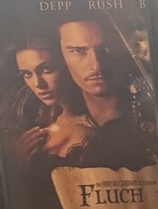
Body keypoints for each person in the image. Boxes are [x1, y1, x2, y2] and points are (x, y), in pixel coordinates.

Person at [58, 16, 157, 170]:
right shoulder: (54, 123)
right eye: (78, 51)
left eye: (107, 48)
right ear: (61, 55)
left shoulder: (156, 117)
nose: (96, 65)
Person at [9, 35, 96, 166]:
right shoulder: (45, 121)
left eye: (47, 69)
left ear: (68, 65)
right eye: (27, 74)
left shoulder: (89, 131)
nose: (37, 83)